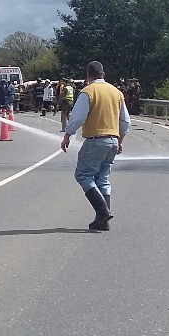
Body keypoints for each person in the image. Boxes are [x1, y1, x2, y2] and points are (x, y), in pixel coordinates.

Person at [60, 61, 131, 231]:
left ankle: (103, 212)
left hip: (95, 140)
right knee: (103, 178)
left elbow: (78, 117)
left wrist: (68, 134)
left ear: (88, 75)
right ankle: (102, 221)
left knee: (83, 175)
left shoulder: (88, 92)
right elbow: (126, 121)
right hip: (113, 140)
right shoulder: (116, 92)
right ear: (103, 74)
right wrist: (120, 140)